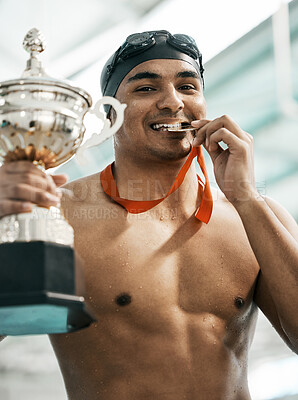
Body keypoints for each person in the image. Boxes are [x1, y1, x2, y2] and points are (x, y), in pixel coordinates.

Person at [0, 30, 298, 400]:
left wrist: (247, 198)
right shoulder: (60, 213)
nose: (173, 101)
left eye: (188, 86)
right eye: (146, 88)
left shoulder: (255, 216)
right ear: (109, 114)